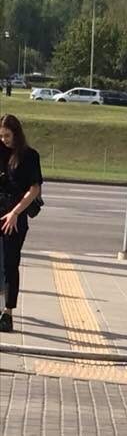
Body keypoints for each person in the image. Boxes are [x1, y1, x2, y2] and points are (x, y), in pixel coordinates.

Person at [0, 114, 43, 333]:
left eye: (7, 135)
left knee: (10, 263)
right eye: (1, 136)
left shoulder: (29, 156)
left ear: (16, 133)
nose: (4, 140)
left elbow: (34, 188)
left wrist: (15, 213)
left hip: (15, 216)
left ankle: (8, 312)